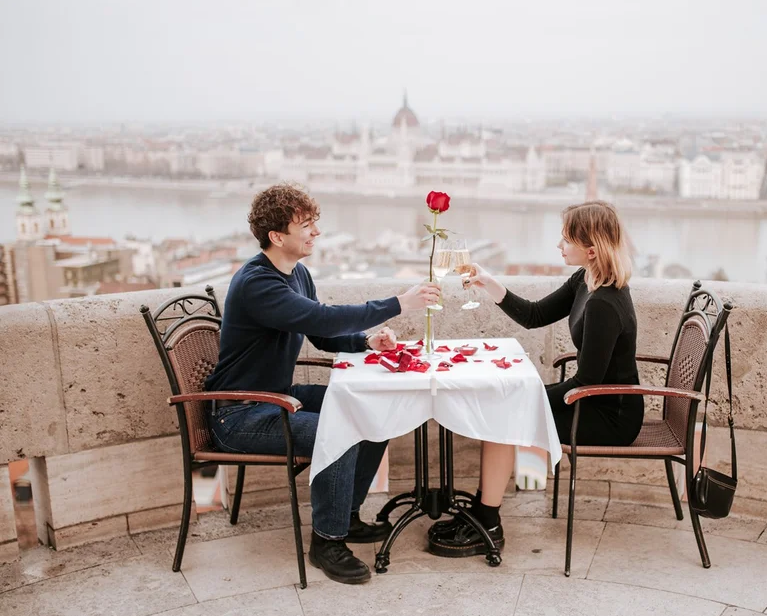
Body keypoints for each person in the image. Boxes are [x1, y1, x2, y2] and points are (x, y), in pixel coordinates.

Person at [204, 183, 440, 584]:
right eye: (306, 226)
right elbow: (323, 320)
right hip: (239, 415)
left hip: (275, 398)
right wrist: (400, 302)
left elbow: (323, 334)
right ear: (277, 236)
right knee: (342, 430)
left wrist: (366, 340)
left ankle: (344, 517)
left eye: (315, 224)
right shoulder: (258, 283)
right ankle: (326, 541)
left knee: (373, 413)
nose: (316, 233)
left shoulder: (296, 273)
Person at [427, 200, 641, 557]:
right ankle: (484, 513)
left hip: (610, 414)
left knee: (506, 416)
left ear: (591, 250)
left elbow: (585, 382)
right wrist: (489, 283)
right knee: (505, 411)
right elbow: (535, 315)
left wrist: (528, 396)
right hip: (594, 399)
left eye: (566, 240)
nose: (559, 246)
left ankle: (487, 524)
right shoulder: (585, 280)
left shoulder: (604, 302)